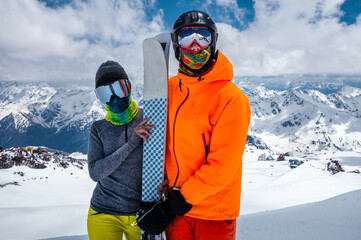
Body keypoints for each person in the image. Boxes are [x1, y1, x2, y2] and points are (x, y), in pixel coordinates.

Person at [161, 10, 251, 240]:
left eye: (202, 37)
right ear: (175, 44)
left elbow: (224, 164)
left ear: (213, 42)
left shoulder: (230, 98)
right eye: (186, 38)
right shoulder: (168, 90)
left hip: (213, 211)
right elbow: (164, 145)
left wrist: (181, 199)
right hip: (176, 208)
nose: (194, 46)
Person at [87, 60, 154, 240]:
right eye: (105, 94)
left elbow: (165, 156)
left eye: (119, 88)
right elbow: (95, 173)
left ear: (129, 87)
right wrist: (132, 143)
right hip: (103, 212)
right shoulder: (98, 128)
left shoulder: (148, 118)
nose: (114, 98)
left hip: (140, 214)